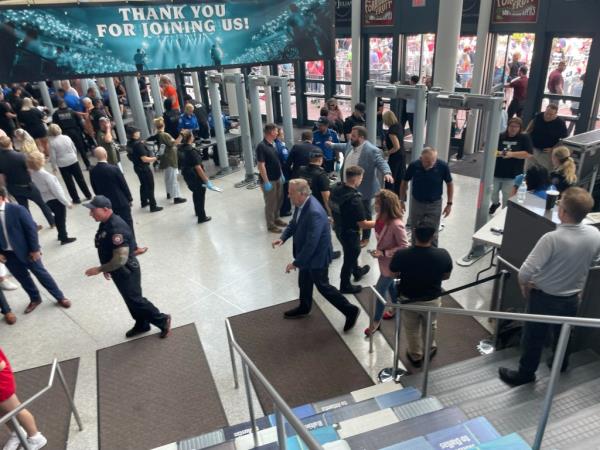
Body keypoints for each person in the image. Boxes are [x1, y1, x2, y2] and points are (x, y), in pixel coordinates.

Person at [499, 187, 600, 386]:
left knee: (533, 338)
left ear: (563, 212)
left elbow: (526, 271)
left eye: (559, 203)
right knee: (564, 333)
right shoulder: (594, 234)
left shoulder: (551, 239)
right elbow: (594, 260)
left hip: (543, 298)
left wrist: (524, 285)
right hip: (572, 297)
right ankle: (560, 364)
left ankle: (526, 374)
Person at [272, 179, 360, 331]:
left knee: (323, 286)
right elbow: (294, 223)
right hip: (307, 256)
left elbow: (311, 244)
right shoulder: (301, 205)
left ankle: (350, 310)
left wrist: (296, 262)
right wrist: (283, 238)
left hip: (316, 257)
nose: (288, 196)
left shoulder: (314, 212)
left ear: (302, 193)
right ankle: (304, 307)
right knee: (304, 282)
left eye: (290, 193)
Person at [84, 196, 171, 339]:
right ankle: (142, 324)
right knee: (129, 299)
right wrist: (107, 268)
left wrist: (100, 269)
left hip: (127, 269)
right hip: (118, 269)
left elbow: (120, 259)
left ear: (105, 209)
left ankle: (162, 319)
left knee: (135, 299)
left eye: (93, 210)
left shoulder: (116, 228)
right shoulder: (106, 222)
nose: (90, 214)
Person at [389, 220, 453, 367]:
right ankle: (429, 349)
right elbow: (446, 276)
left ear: (414, 234)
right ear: (434, 235)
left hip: (408, 299)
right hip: (432, 299)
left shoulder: (402, 254)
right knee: (430, 325)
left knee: (411, 328)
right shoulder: (443, 255)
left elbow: (393, 273)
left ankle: (415, 355)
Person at [0, 186, 71, 314]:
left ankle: (59, 296)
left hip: (27, 251)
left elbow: (31, 230)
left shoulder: (17, 210)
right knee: (23, 278)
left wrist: (35, 249)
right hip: (8, 255)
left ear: (2, 197)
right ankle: (35, 298)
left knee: (41, 274)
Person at [330, 126, 393, 246]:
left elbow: (381, 162)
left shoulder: (372, 150)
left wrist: (387, 173)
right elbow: (343, 146)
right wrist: (332, 145)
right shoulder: (350, 144)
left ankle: (365, 237)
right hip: (347, 186)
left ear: (362, 137)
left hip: (364, 189)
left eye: (353, 136)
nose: (350, 138)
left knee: (365, 213)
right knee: (349, 209)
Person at [364, 189, 409, 337]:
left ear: (386, 206)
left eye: (378, 203)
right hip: (383, 262)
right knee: (390, 287)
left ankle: (375, 321)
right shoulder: (380, 217)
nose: (375, 205)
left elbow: (404, 247)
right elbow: (377, 228)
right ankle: (396, 307)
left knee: (379, 291)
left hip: (392, 264)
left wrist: (384, 253)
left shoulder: (396, 224)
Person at [90, 147, 147, 255]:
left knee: (112, 226)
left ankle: (116, 247)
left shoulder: (93, 171)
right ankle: (133, 247)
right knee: (127, 224)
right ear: (106, 154)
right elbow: (123, 184)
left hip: (106, 204)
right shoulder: (114, 168)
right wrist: (129, 198)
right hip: (120, 202)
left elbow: (95, 188)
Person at [330, 166, 375, 293]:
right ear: (355, 179)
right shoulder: (354, 200)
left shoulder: (335, 188)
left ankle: (357, 271)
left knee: (350, 252)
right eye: (361, 178)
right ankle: (345, 286)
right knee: (350, 257)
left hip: (338, 228)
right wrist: (382, 222)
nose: (361, 180)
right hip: (350, 233)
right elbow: (363, 224)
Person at [400, 147, 454, 247]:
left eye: (432, 162)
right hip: (417, 202)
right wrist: (402, 200)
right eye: (426, 162)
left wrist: (449, 204)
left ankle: (432, 254)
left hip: (435, 204)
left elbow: (449, 184)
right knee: (415, 230)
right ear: (421, 158)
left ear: (436, 160)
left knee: (433, 232)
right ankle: (414, 253)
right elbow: (404, 182)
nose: (429, 164)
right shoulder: (414, 165)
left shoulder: (442, 166)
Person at [0, 136, 55, 228]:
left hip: (13, 187)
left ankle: (32, 226)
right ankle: (52, 222)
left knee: (25, 208)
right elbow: (30, 170)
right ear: (11, 143)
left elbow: (1, 177)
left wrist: (5, 189)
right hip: (28, 185)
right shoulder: (21, 156)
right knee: (42, 203)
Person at [0, 348, 48, 450]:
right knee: (3, 412)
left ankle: (35, 437)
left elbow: (1, 365)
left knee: (17, 410)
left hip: (2, 385)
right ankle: (17, 433)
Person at [27, 151, 75, 245]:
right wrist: (67, 203)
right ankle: (63, 237)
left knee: (57, 218)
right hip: (55, 200)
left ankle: (60, 234)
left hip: (46, 199)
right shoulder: (47, 176)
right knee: (61, 219)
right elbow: (57, 191)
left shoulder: (33, 174)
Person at [489, 117, 533, 214]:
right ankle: (495, 203)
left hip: (513, 173)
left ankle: (504, 216)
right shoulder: (500, 136)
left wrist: (512, 154)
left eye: (516, 127)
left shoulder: (524, 138)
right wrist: (501, 153)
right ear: (507, 126)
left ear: (520, 128)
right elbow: (491, 150)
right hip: (497, 171)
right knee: (493, 193)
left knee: (507, 197)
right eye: (511, 126)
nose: (513, 129)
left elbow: (529, 153)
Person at [47, 124, 92, 204]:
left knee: (69, 182)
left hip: (63, 164)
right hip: (73, 160)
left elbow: (53, 157)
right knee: (80, 179)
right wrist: (74, 156)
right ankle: (88, 194)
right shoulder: (66, 137)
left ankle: (76, 198)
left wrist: (54, 167)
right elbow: (73, 148)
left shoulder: (52, 143)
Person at [256, 124, 287, 233]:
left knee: (279, 199)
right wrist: (266, 181)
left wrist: (281, 174)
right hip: (269, 180)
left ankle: (276, 218)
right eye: (275, 131)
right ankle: (270, 224)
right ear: (270, 132)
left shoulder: (272, 144)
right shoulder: (261, 146)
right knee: (271, 203)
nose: (277, 133)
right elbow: (261, 165)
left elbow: (277, 161)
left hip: (277, 177)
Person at [178, 130, 212, 224]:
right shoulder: (192, 151)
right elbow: (198, 168)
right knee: (200, 195)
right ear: (190, 138)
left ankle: (197, 211)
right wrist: (206, 180)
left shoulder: (180, 149)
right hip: (195, 176)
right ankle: (202, 217)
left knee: (195, 193)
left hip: (187, 175)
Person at [128, 129, 163, 213]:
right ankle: (153, 206)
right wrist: (155, 158)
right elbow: (144, 159)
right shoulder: (138, 145)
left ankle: (143, 201)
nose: (139, 132)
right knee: (150, 186)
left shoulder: (129, 144)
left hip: (136, 166)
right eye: (137, 132)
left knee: (143, 184)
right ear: (134, 134)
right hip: (144, 167)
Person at [526, 104, 568, 172]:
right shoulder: (539, 116)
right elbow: (531, 125)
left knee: (544, 171)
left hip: (546, 152)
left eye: (551, 114)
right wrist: (526, 134)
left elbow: (563, 140)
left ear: (555, 114)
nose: (547, 116)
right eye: (546, 113)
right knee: (528, 170)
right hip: (533, 148)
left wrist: (553, 148)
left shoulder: (560, 123)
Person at [153, 118, 186, 204]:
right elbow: (174, 143)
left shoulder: (157, 134)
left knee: (168, 178)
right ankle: (176, 197)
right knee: (173, 179)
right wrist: (181, 135)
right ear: (163, 125)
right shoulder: (165, 135)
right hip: (170, 159)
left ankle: (169, 193)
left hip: (165, 158)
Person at [52, 100, 90, 169]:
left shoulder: (56, 114)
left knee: (68, 150)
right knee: (81, 149)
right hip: (75, 131)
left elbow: (55, 125)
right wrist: (83, 130)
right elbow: (79, 122)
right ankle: (88, 165)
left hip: (64, 133)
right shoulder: (72, 111)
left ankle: (74, 166)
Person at [382, 111, 405, 196]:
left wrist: (387, 152)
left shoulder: (392, 131)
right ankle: (398, 195)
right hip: (402, 155)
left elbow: (396, 147)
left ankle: (389, 195)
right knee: (400, 176)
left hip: (395, 157)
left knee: (391, 176)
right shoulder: (398, 126)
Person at [275, 128, 292, 217]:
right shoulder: (281, 146)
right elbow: (286, 160)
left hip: (276, 173)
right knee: (285, 192)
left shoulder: (272, 145)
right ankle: (285, 210)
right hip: (284, 173)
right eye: (282, 133)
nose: (283, 135)